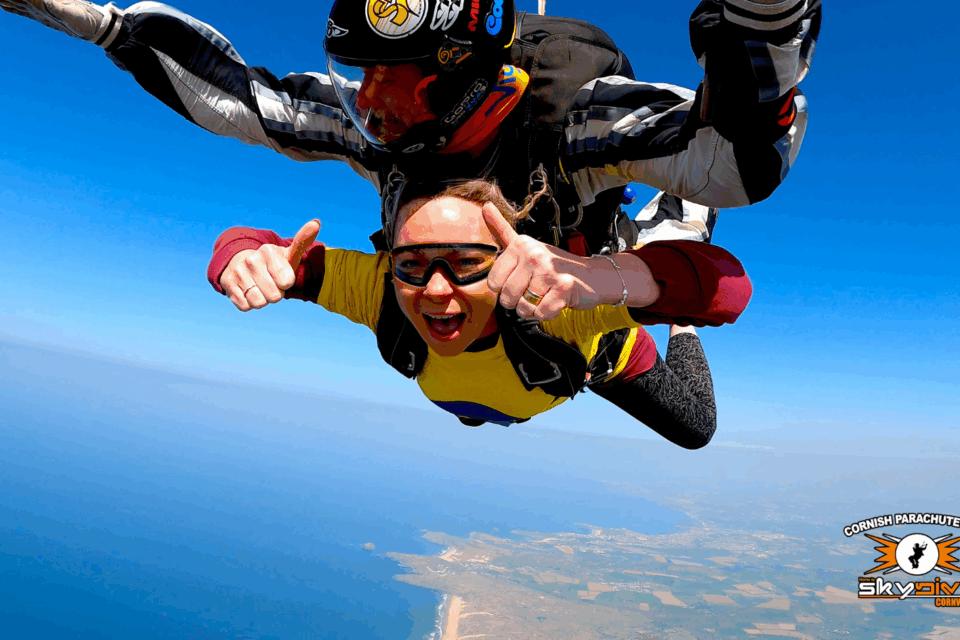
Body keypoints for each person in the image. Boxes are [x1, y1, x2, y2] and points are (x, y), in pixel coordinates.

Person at [1, 0, 821, 252]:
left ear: (468, 83)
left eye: (399, 83)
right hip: (458, 290)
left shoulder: (567, 117)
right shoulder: (372, 128)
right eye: (362, 78)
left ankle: (666, 228)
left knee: (683, 408)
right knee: (427, 357)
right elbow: (243, 100)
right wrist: (100, 24)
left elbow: (737, 163)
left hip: (582, 266)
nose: (373, 104)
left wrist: (762, 30)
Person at [205, 179, 751, 446]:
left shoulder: (557, 305)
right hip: (502, 392)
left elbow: (724, 291)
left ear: (508, 259)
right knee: (474, 409)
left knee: (696, 427)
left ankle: (667, 234)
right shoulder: (386, 290)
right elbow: (276, 254)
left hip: (602, 358)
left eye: (467, 263)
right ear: (391, 259)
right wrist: (240, 256)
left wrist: (607, 280)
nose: (436, 290)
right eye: (413, 262)